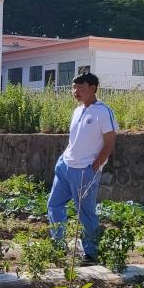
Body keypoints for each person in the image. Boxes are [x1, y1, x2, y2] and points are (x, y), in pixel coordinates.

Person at [47, 71, 118, 264]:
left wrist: (94, 168)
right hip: (65, 166)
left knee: (85, 212)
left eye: (80, 87)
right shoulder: (77, 110)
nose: (75, 91)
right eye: (73, 87)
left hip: (85, 170)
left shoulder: (103, 111)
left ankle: (91, 253)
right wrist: (63, 159)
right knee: (54, 205)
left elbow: (110, 143)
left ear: (93, 88)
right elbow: (75, 139)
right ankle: (58, 245)